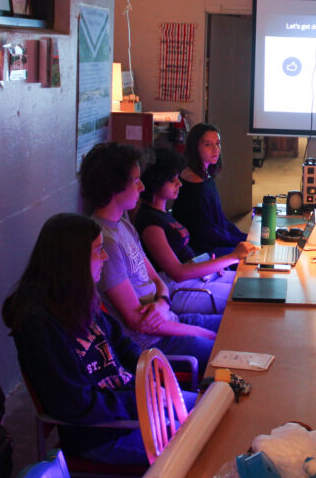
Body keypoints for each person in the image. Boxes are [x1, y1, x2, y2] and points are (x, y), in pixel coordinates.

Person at [1, 213, 195, 465]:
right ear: (73, 260)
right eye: (98, 250)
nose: (104, 257)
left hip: (134, 405)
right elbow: (77, 404)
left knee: (213, 412)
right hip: (103, 434)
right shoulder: (40, 326)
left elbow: (123, 345)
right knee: (202, 448)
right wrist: (143, 401)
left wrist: (148, 377)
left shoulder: (79, 296)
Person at [80, 142, 218, 374]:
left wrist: (162, 303)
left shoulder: (124, 225)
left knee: (234, 330)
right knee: (223, 347)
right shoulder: (106, 244)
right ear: (113, 187)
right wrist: (200, 332)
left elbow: (156, 279)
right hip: (155, 344)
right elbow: (139, 323)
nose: (142, 187)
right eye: (135, 181)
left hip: (169, 319)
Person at [136, 147, 255, 313]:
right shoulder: (150, 224)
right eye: (172, 180)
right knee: (250, 296)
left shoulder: (162, 214)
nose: (179, 183)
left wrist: (208, 263)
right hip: (179, 288)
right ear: (156, 183)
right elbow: (177, 272)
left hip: (194, 277)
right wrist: (231, 257)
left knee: (253, 281)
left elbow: (183, 259)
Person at [171, 123, 249, 257]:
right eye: (208, 144)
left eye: (218, 143)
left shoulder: (204, 176)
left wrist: (245, 237)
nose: (216, 149)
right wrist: (239, 241)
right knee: (248, 256)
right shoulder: (194, 182)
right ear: (195, 147)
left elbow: (219, 220)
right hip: (201, 248)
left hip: (213, 239)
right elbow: (206, 232)